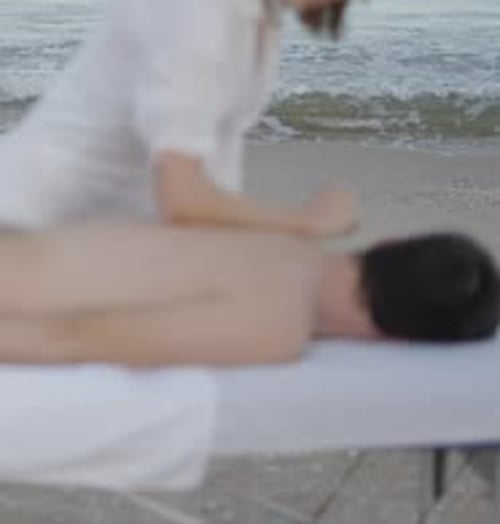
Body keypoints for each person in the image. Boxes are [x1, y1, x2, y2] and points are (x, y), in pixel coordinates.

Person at [0, 0, 387, 237]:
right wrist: (306, 222)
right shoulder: (200, 6)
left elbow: (213, 179)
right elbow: (182, 199)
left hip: (94, 241)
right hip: (23, 230)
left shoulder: (256, 9)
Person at [0, 223, 497, 367]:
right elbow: (79, 337)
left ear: (387, 243)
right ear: (397, 341)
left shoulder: (275, 238)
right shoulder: (274, 327)